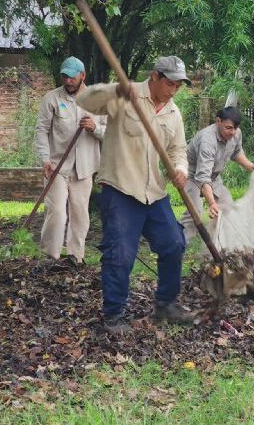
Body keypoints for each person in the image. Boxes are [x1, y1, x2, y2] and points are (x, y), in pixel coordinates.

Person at [77, 56, 193, 334]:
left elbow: (178, 150)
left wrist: (180, 169)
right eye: (170, 83)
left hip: (154, 192)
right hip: (121, 189)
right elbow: (85, 100)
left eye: (178, 86)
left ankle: (166, 303)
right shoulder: (126, 96)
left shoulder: (173, 113)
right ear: (154, 76)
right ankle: (113, 315)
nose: (174, 90)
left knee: (174, 243)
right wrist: (115, 89)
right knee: (120, 253)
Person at [34, 56, 105, 264]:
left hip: (84, 168)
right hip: (56, 167)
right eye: (64, 76)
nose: (67, 81)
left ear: (83, 75)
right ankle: (51, 256)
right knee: (56, 212)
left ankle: (76, 257)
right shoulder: (52, 99)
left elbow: (111, 133)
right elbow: (41, 131)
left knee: (80, 214)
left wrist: (95, 128)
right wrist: (45, 159)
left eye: (72, 77)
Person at [180, 106, 254, 241]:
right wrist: (212, 203)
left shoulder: (236, 133)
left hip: (214, 177)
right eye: (228, 128)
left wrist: (251, 166)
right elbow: (202, 177)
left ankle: (221, 244)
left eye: (235, 128)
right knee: (195, 214)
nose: (232, 132)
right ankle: (177, 245)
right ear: (218, 121)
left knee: (228, 208)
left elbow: (236, 152)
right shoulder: (207, 140)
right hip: (192, 176)